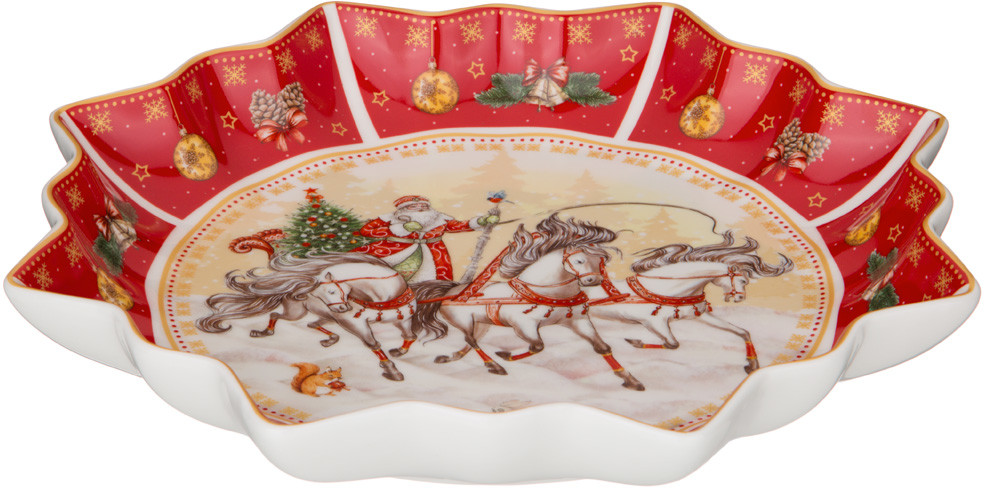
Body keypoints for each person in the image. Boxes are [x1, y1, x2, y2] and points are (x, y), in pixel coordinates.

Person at [349, 196, 499, 282]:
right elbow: (366, 231)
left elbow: (457, 226)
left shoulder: (439, 218)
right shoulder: (390, 218)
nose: (420, 208)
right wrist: (401, 228)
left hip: (433, 253)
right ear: (403, 209)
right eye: (414, 206)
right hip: (395, 250)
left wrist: (481, 221)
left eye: (423, 205)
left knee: (433, 279)